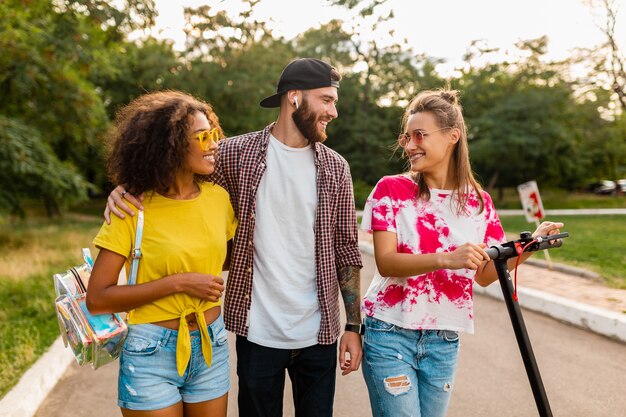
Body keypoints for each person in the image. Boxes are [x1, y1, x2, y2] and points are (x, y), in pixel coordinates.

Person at [104, 58, 364, 417]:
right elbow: (171, 172)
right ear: (294, 98)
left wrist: (353, 325)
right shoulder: (233, 154)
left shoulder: (336, 167)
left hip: (318, 333)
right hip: (257, 331)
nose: (333, 111)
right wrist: (124, 188)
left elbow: (346, 248)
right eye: (326, 99)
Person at [360, 89, 563, 417]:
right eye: (406, 137)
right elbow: (386, 263)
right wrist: (446, 257)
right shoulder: (391, 190)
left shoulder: (478, 202)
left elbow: (484, 275)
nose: (410, 145)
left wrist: (528, 246)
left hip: (443, 337)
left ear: (453, 136)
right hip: (389, 332)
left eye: (419, 135)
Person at [87, 91, 237, 417]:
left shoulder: (218, 199)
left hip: (212, 346)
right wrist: (179, 282)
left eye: (214, 134)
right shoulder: (132, 207)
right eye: (202, 137)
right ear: (169, 146)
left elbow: (223, 258)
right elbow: (98, 298)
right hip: (150, 350)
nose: (214, 144)